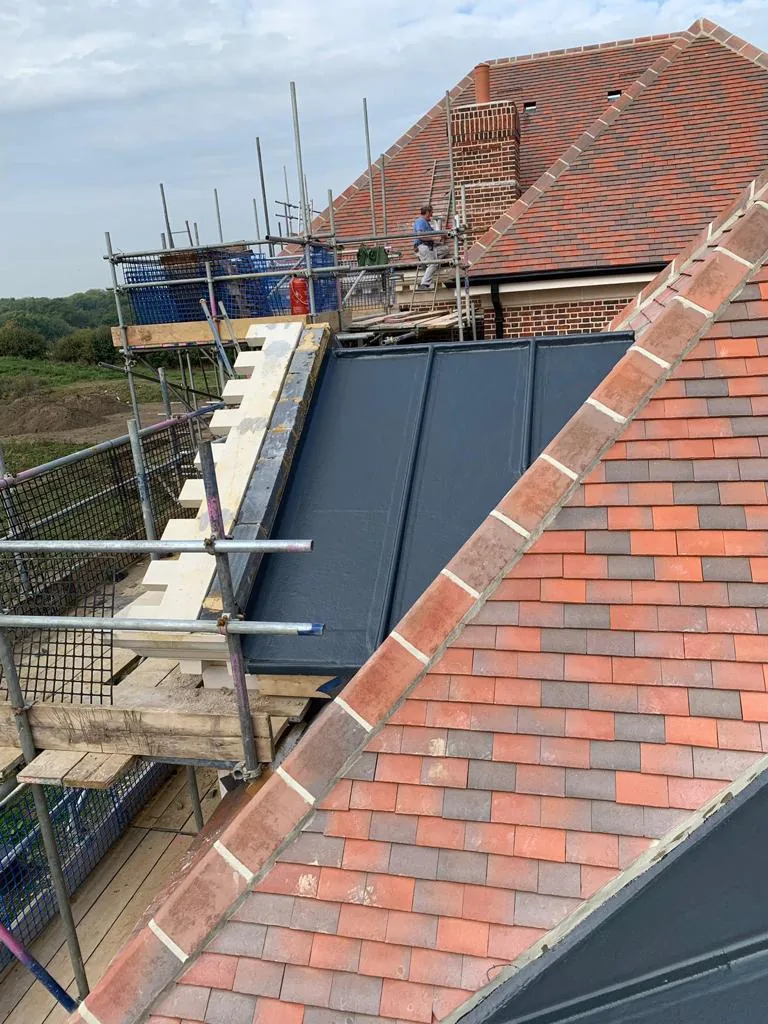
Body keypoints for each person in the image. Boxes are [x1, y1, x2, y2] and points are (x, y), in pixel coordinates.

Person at [413, 204, 449, 289]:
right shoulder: (420, 221)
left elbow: (437, 234)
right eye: (431, 213)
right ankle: (424, 284)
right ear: (427, 212)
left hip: (430, 248)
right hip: (423, 247)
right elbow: (420, 235)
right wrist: (434, 237)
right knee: (433, 264)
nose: (432, 215)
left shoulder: (427, 224)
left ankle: (426, 261)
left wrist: (444, 234)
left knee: (446, 249)